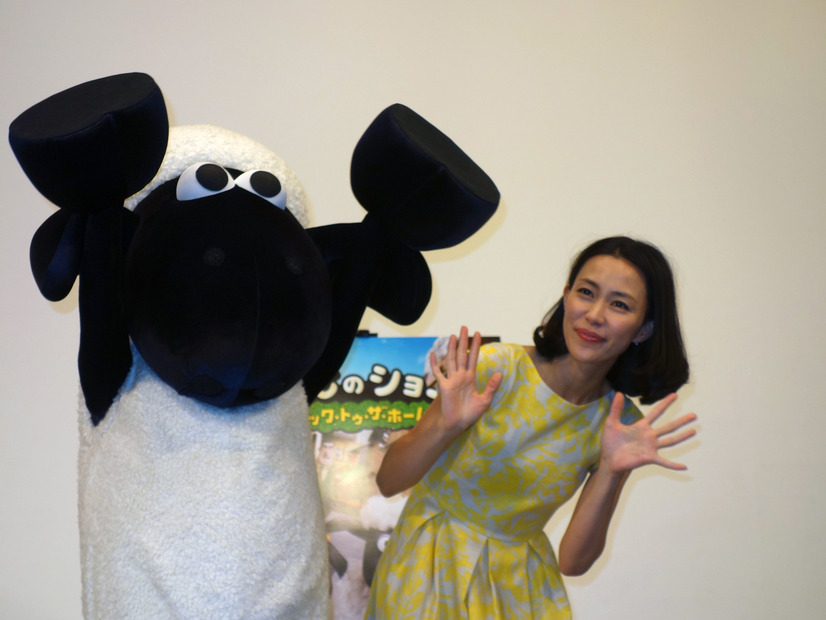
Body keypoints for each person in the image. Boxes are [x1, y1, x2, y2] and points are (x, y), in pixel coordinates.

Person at [364, 236, 697, 619]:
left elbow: (573, 562)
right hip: (427, 569)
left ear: (644, 329)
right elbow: (388, 482)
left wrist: (611, 469)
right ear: (567, 296)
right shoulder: (495, 367)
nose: (595, 315)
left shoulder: (621, 424)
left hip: (518, 589)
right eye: (586, 293)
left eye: (619, 304)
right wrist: (446, 427)